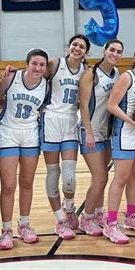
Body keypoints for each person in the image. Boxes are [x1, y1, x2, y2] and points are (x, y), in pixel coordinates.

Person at [0, 49, 48, 250]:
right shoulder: (14, 76)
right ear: (27, 63)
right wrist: (4, 81)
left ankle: (24, 225)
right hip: (8, 133)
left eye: (42, 64)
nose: (38, 67)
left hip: (31, 135)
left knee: (27, 182)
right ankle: (6, 230)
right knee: (8, 185)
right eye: (34, 63)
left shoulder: (46, 86)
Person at [103, 45, 135, 244]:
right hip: (125, 130)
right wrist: (131, 121)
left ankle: (131, 216)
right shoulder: (127, 77)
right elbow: (111, 105)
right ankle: (111, 222)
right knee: (121, 177)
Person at [41, 34, 89, 239]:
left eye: (82, 46)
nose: (77, 48)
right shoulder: (55, 63)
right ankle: (60, 219)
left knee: (69, 176)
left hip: (70, 120)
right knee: (53, 173)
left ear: (86, 51)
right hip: (51, 119)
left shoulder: (87, 72)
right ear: (68, 46)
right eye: (75, 44)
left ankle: (69, 208)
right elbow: (33, 75)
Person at [78, 39, 124, 236]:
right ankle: (85, 218)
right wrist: (88, 132)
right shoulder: (91, 73)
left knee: (102, 178)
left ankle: (97, 213)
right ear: (104, 51)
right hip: (91, 131)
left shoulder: (117, 74)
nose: (114, 53)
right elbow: (83, 104)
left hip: (107, 132)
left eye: (118, 51)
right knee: (100, 178)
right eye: (111, 49)